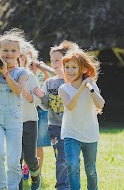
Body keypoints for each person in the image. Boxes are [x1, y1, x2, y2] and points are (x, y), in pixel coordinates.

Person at [0, 28, 28, 190]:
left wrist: (6, 73)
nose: (9, 54)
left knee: (13, 160)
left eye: (13, 51)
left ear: (19, 53)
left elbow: (17, 91)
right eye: (5, 50)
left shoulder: (22, 72)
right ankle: (1, 187)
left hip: (14, 119)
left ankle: (13, 188)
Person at [34, 40, 78, 190]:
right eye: (52, 60)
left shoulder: (73, 82)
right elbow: (45, 107)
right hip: (55, 127)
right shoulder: (49, 83)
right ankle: (62, 186)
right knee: (61, 159)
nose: (53, 63)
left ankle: (72, 184)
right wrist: (42, 96)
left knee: (72, 160)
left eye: (57, 60)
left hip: (72, 127)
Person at [58, 49, 105, 190]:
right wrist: (81, 88)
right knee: (72, 166)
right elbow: (70, 106)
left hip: (90, 134)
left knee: (90, 169)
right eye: (67, 67)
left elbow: (100, 104)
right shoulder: (63, 88)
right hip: (71, 133)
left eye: (74, 67)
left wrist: (90, 88)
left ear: (83, 68)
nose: (70, 71)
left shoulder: (91, 86)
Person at [18, 41, 42, 190]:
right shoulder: (6, 77)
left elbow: (39, 100)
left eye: (20, 56)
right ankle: (17, 186)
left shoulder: (31, 77)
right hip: (13, 122)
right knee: (16, 158)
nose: (17, 59)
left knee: (30, 158)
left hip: (30, 121)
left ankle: (36, 178)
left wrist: (30, 97)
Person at [26, 44, 51, 176]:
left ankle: (38, 172)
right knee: (25, 142)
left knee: (38, 143)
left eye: (32, 55)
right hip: (27, 109)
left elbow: (49, 84)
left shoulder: (41, 72)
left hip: (41, 109)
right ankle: (25, 169)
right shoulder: (21, 72)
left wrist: (43, 71)